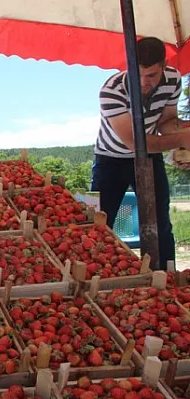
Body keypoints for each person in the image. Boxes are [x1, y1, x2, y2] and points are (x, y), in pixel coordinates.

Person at [91, 36, 190, 270]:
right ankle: (98, 277)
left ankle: (165, 277)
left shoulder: (174, 80)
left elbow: (166, 122)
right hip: (109, 159)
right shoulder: (110, 90)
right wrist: (182, 138)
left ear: (164, 67)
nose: (144, 82)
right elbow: (137, 144)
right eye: (138, 74)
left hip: (150, 158)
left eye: (152, 76)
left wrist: (184, 129)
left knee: (160, 223)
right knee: (96, 222)